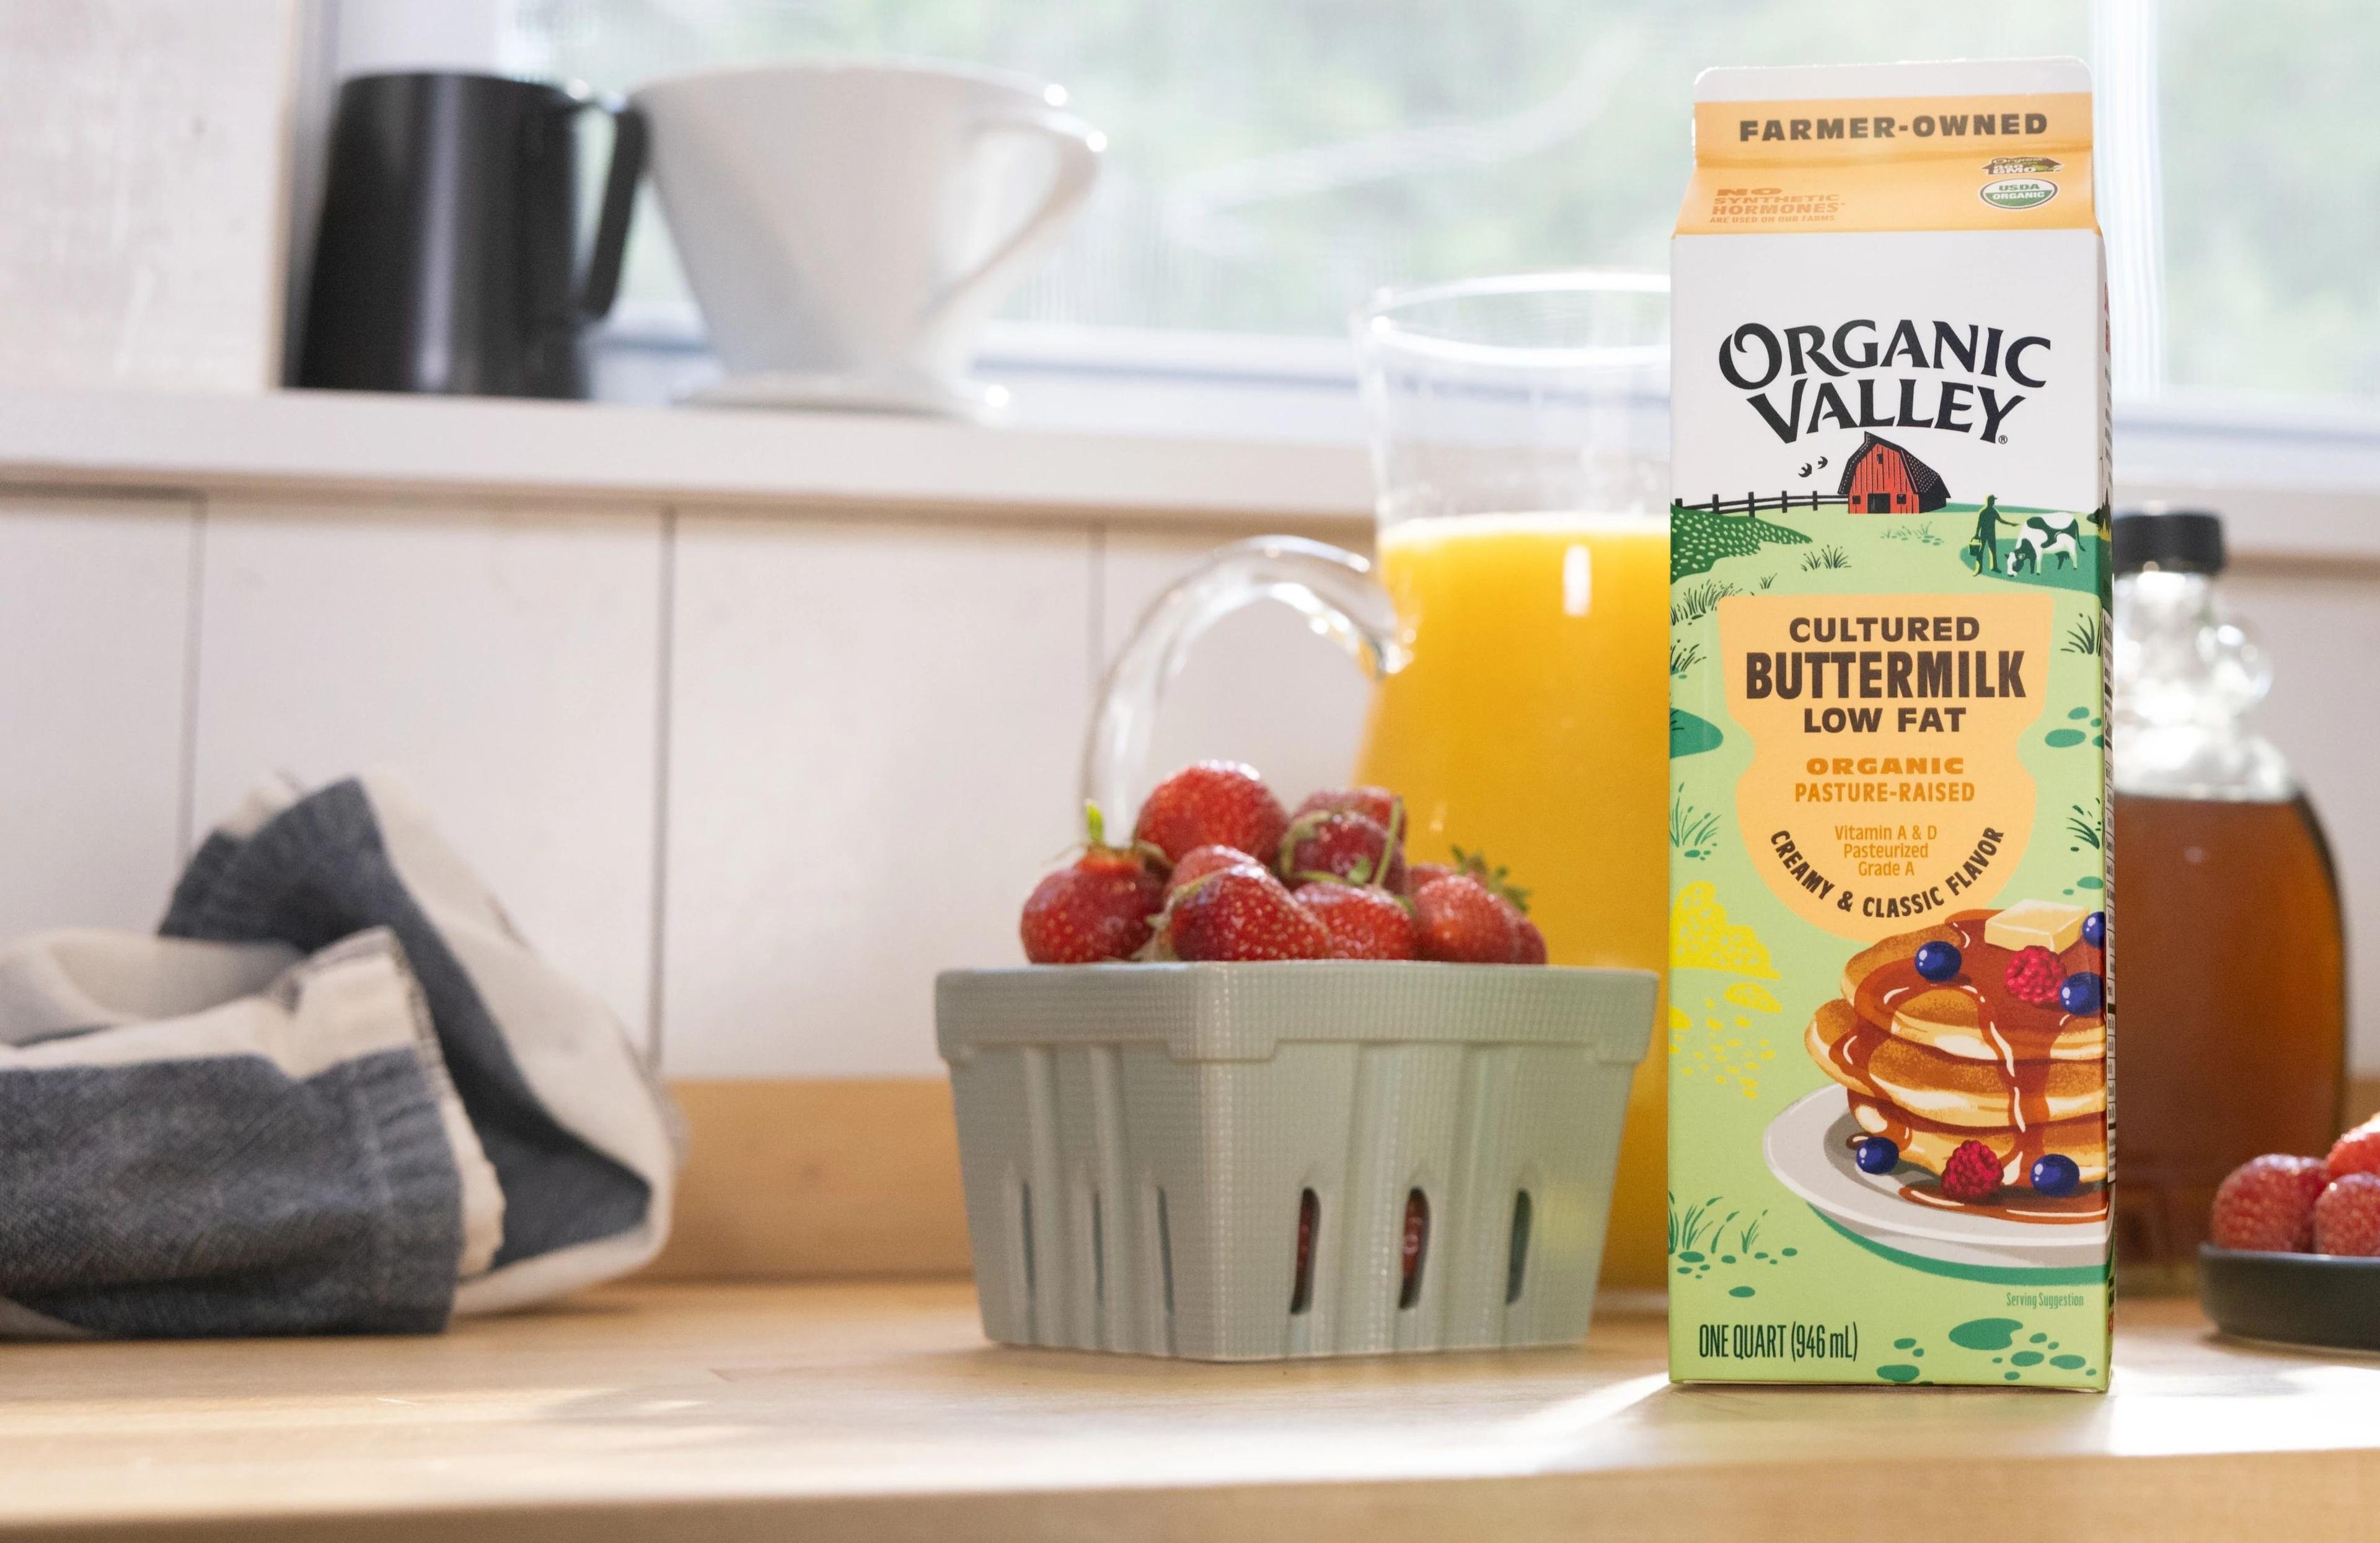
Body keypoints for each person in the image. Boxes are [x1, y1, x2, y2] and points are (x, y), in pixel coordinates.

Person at [1970, 495, 2004, 575]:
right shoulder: (1985, 512)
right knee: (1980, 552)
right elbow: (1979, 524)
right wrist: (1976, 534)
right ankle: (1979, 569)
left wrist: (2011, 524)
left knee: (1993, 551)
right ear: (1991, 501)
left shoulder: (1993, 511)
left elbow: (2000, 520)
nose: (1994, 502)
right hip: (1985, 534)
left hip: (1990, 534)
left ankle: (1994, 567)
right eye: (1993, 500)